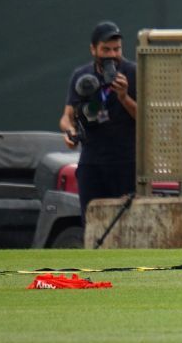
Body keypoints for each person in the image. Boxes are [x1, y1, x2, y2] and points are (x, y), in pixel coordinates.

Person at [60, 21, 137, 223]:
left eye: (116, 49)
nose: (112, 55)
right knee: (91, 221)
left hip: (126, 162)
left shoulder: (134, 72)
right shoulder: (82, 75)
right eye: (106, 50)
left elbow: (146, 120)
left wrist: (124, 97)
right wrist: (69, 132)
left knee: (125, 222)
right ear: (93, 49)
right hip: (92, 161)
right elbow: (67, 116)